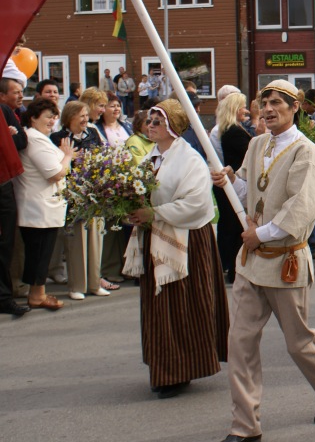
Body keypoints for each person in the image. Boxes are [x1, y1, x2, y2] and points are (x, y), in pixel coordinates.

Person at [210, 80, 315, 442]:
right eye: (264, 102)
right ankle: (245, 426)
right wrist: (229, 181)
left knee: (298, 342)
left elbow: (302, 208)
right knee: (239, 343)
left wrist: (264, 234)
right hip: (251, 263)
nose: (268, 108)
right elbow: (247, 191)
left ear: (296, 107)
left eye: (277, 102)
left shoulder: (307, 153)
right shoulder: (257, 144)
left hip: (286, 260)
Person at [122, 99, 229, 399]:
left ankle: (182, 369)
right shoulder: (149, 159)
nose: (151, 125)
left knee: (182, 307)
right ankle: (162, 367)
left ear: (172, 126)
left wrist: (153, 214)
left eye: (158, 120)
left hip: (187, 242)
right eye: (150, 120)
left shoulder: (190, 160)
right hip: (155, 237)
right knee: (158, 308)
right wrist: (128, 208)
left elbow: (197, 204)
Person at [15, 98, 73, 311]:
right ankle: (37, 295)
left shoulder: (40, 138)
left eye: (54, 116)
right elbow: (55, 173)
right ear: (33, 118)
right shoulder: (35, 139)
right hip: (39, 208)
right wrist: (67, 157)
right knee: (38, 253)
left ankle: (38, 293)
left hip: (45, 207)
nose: (52, 121)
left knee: (41, 253)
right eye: (48, 116)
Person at [50, 99, 108, 300]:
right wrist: (70, 157)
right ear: (70, 117)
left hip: (94, 191)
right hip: (73, 194)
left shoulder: (92, 133)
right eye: (81, 116)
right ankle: (77, 285)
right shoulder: (57, 137)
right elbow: (56, 165)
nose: (85, 119)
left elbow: (102, 156)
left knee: (95, 237)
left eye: (86, 115)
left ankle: (94, 283)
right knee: (76, 242)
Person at [213, 92, 252, 284]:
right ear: (235, 109)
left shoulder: (230, 129)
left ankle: (231, 265)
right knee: (234, 225)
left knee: (231, 225)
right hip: (234, 182)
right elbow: (250, 152)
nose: (245, 110)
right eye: (243, 107)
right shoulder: (233, 131)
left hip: (233, 182)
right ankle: (233, 267)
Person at [97, 92, 132, 287]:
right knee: (111, 226)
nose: (116, 109)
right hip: (108, 181)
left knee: (124, 224)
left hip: (127, 180)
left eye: (118, 105)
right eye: (111, 105)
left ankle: (125, 266)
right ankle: (110, 267)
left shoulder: (125, 127)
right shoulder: (98, 129)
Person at [0, 78, 29, 316]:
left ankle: (4, 297)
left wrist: (7, 137)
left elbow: (21, 140)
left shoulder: (4, 111)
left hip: (3, 183)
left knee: (5, 242)